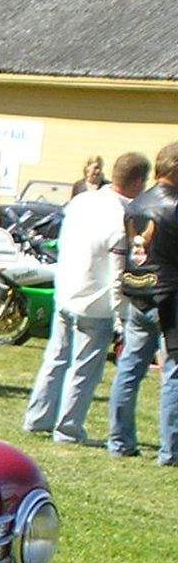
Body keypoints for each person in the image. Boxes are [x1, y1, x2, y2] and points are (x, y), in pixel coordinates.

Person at [23, 151, 150, 444]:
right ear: (138, 181)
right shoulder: (123, 217)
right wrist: (122, 315)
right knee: (84, 370)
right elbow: (118, 271)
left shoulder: (82, 201)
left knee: (55, 359)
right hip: (96, 302)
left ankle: (38, 417)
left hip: (67, 291)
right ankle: (68, 429)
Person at [107, 143, 178, 458]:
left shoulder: (136, 204)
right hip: (170, 296)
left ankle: (119, 441)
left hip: (138, 293)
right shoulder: (174, 206)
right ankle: (171, 450)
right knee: (173, 373)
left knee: (130, 367)